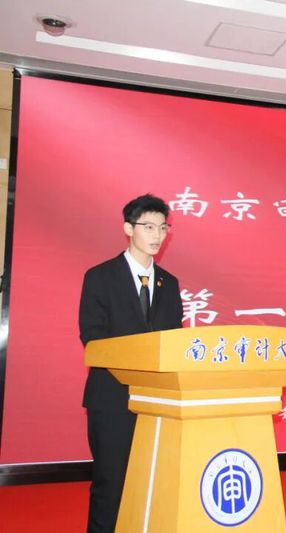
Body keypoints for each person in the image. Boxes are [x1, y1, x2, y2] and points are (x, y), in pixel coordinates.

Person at [79, 194, 183, 533]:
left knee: (154, 481)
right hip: (112, 399)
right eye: (148, 227)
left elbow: (173, 341)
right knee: (111, 484)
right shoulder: (100, 277)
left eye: (163, 228)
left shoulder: (170, 283)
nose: (157, 235)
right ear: (128, 229)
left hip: (159, 402)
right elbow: (93, 338)